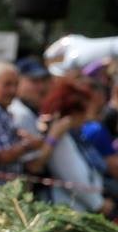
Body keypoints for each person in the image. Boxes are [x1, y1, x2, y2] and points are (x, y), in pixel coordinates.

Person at [37, 79, 111, 215]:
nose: (85, 118)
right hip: (72, 210)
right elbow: (74, 178)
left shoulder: (73, 135)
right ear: (73, 113)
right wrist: (98, 204)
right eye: (83, 113)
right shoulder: (61, 139)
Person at [0, 60, 44, 176]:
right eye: (7, 85)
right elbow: (1, 155)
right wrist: (28, 144)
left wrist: (19, 135)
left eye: (16, 84)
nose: (13, 90)